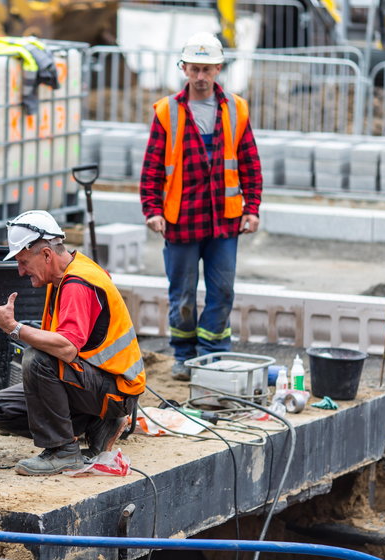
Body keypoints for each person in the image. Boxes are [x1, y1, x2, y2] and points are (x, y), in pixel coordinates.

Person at [0, 210, 146, 476]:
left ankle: (64, 452)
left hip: (116, 390)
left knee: (37, 359)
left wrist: (13, 328)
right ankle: (97, 424)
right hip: (95, 382)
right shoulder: (61, 277)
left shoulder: (78, 283)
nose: (21, 271)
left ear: (46, 254)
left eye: (23, 262)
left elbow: (67, 348)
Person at [139, 31, 263, 380]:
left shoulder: (236, 109)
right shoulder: (168, 112)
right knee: (182, 295)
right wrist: (152, 209)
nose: (201, 76)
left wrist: (251, 208)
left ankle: (212, 354)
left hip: (225, 220)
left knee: (222, 290)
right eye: (194, 69)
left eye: (207, 69)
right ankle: (183, 355)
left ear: (219, 69)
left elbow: (250, 163)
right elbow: (152, 167)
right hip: (182, 219)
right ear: (184, 69)